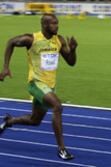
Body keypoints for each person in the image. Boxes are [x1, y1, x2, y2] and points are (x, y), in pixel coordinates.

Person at [0, 14, 78, 160]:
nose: (57, 26)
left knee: (34, 120)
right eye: (53, 24)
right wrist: (5, 68)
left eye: (57, 23)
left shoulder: (59, 40)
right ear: (44, 25)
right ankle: (62, 149)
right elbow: (11, 42)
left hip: (49, 86)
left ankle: (9, 121)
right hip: (35, 83)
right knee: (57, 106)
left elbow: (71, 62)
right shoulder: (32, 39)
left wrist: (73, 50)